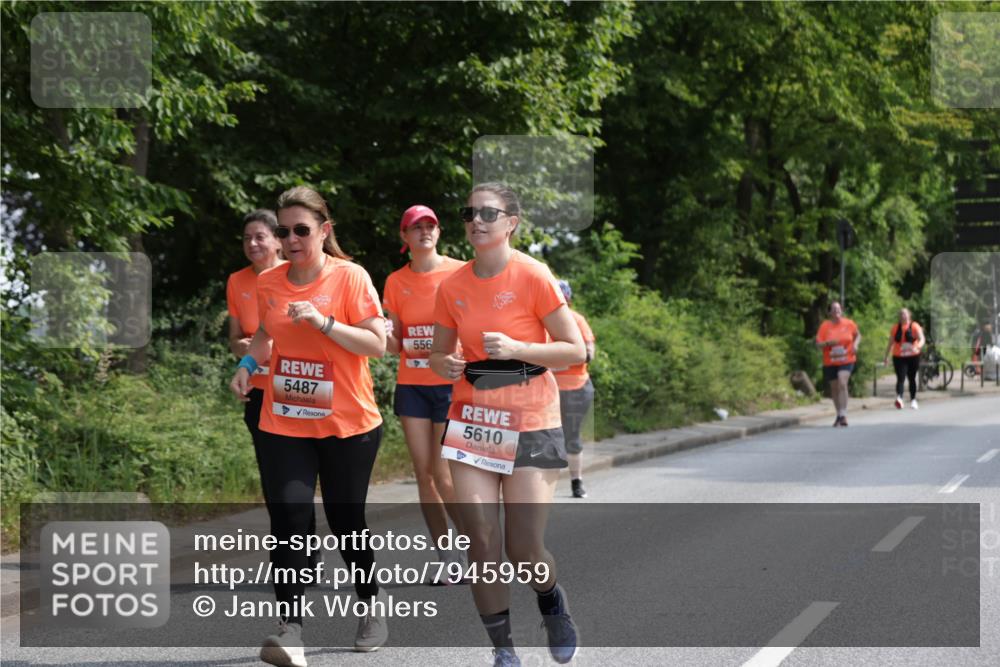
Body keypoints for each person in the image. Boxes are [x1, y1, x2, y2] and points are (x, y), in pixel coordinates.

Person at [229, 186, 388, 666]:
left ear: (324, 230)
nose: (292, 238)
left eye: (302, 229)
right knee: (289, 520)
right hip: (285, 419)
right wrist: (248, 365)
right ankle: (290, 628)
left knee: (346, 524)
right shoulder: (270, 282)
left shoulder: (350, 277)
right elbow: (264, 333)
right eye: (284, 230)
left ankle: (370, 604)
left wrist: (323, 322)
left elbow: (376, 344)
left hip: (348, 422)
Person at [430, 182, 586, 667]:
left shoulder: (534, 275)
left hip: (533, 423)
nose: (476, 220)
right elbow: (436, 353)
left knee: (523, 549)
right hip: (473, 419)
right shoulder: (452, 285)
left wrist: (518, 350)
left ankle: (550, 597)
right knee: (480, 538)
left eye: (488, 213)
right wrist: (445, 365)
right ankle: (504, 651)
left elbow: (574, 350)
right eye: (469, 213)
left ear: (511, 222)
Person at [226, 210, 322, 577]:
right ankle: (289, 552)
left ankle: (308, 554)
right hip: (259, 391)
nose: (253, 244)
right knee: (273, 478)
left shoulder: (294, 275)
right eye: (247, 237)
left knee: (300, 478)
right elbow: (236, 339)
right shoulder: (237, 281)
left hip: (298, 389)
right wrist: (245, 351)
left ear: (277, 240)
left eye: (260, 236)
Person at [382, 205, 466, 578]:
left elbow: (475, 319)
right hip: (412, 384)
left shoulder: (459, 272)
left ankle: (474, 545)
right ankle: (446, 556)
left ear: (439, 232)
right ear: (405, 236)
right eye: (416, 227)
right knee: (424, 474)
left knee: (443, 474)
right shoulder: (395, 281)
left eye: (430, 225)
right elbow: (395, 343)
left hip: (450, 384)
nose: (424, 232)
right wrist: (383, 335)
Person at [552, 279, 596, 498]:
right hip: (548, 388)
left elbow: (589, 353)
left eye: (563, 298)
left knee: (571, 436)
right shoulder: (542, 322)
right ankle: (541, 486)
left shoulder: (577, 320)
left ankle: (576, 482)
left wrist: (561, 361)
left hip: (577, 387)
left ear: (568, 299)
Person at [815, 301, 861, 427]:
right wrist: (828, 344)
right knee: (834, 388)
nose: (837, 311)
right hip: (830, 361)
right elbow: (818, 344)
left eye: (839, 309)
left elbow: (858, 335)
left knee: (842, 382)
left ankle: (844, 414)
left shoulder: (849, 323)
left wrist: (856, 345)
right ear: (829, 312)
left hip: (847, 359)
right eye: (834, 309)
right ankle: (839, 414)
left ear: (842, 311)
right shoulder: (825, 326)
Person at [882, 308, 925, 410]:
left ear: (909, 315)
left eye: (905, 314)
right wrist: (886, 356)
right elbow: (890, 343)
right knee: (900, 377)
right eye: (901, 314)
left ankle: (913, 399)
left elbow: (922, 339)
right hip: (899, 356)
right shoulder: (895, 328)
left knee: (911, 377)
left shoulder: (914, 326)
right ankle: (899, 398)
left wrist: (917, 346)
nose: (903, 316)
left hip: (913, 356)